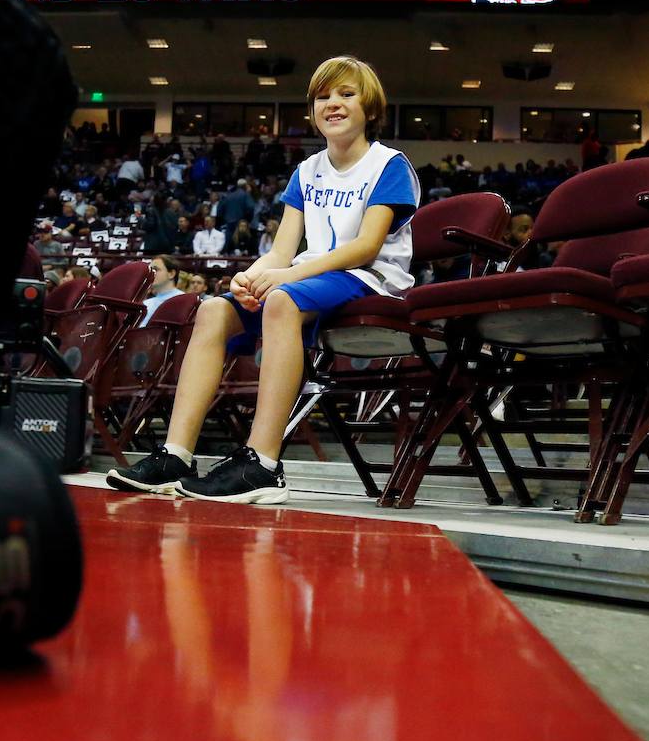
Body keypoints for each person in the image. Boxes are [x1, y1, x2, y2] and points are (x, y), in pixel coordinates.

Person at [107, 55, 420, 503]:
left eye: (346, 94)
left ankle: (263, 463)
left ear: (371, 110)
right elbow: (279, 249)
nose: (333, 103)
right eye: (323, 96)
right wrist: (247, 277)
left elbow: (365, 247)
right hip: (310, 275)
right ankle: (176, 455)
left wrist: (283, 278)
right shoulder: (306, 170)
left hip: (368, 278)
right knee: (214, 309)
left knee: (281, 300)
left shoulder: (388, 164)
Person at [140, 255, 185, 326]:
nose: (152, 274)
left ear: (171, 274)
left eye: (156, 270)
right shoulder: (146, 304)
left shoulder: (183, 300)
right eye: (150, 270)